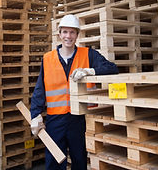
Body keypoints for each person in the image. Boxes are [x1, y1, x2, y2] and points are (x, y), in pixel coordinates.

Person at [30, 14, 118, 170]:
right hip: (54, 120)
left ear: (77, 35)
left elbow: (112, 68)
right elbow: (40, 89)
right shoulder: (48, 58)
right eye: (65, 32)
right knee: (54, 162)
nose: (68, 36)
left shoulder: (88, 55)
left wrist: (89, 71)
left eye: (72, 32)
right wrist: (35, 114)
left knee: (79, 160)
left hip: (78, 118)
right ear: (59, 34)